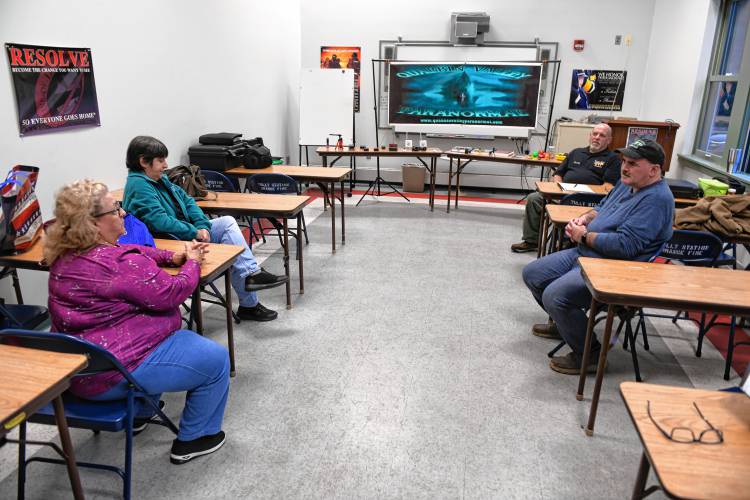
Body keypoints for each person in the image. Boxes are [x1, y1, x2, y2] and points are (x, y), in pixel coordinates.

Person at [45, 180, 229, 464]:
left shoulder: (63, 256)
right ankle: (196, 437)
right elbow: (173, 293)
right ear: (93, 224)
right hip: (115, 374)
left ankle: (141, 412)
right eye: (115, 208)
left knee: (156, 339)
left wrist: (172, 255)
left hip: (78, 371)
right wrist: (190, 262)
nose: (123, 214)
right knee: (216, 360)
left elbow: (134, 252)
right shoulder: (118, 265)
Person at [521, 140, 674, 374]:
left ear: (654, 170)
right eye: (624, 161)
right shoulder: (628, 183)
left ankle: (589, 354)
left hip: (616, 268)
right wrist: (585, 218)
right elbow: (603, 206)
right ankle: (567, 324)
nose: (625, 167)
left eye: (633, 163)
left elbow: (626, 246)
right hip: (589, 253)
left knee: (555, 296)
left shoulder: (656, 200)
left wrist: (584, 236)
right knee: (533, 274)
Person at [122, 135, 287, 322]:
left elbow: (188, 201)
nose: (166, 165)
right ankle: (249, 297)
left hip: (184, 233)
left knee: (227, 224)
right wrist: (194, 232)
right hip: (170, 243)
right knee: (231, 239)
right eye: (160, 160)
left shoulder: (159, 179)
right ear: (143, 161)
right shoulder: (139, 185)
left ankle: (250, 278)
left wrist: (202, 227)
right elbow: (159, 221)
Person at [511, 123, 621, 253]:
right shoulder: (576, 152)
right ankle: (531, 241)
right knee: (534, 199)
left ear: (609, 140)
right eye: (594, 134)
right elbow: (558, 174)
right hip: (562, 194)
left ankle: (565, 242)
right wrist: (559, 186)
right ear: (589, 136)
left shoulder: (613, 159)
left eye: (602, 135)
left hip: (588, 200)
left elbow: (608, 187)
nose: (597, 137)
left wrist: (581, 190)